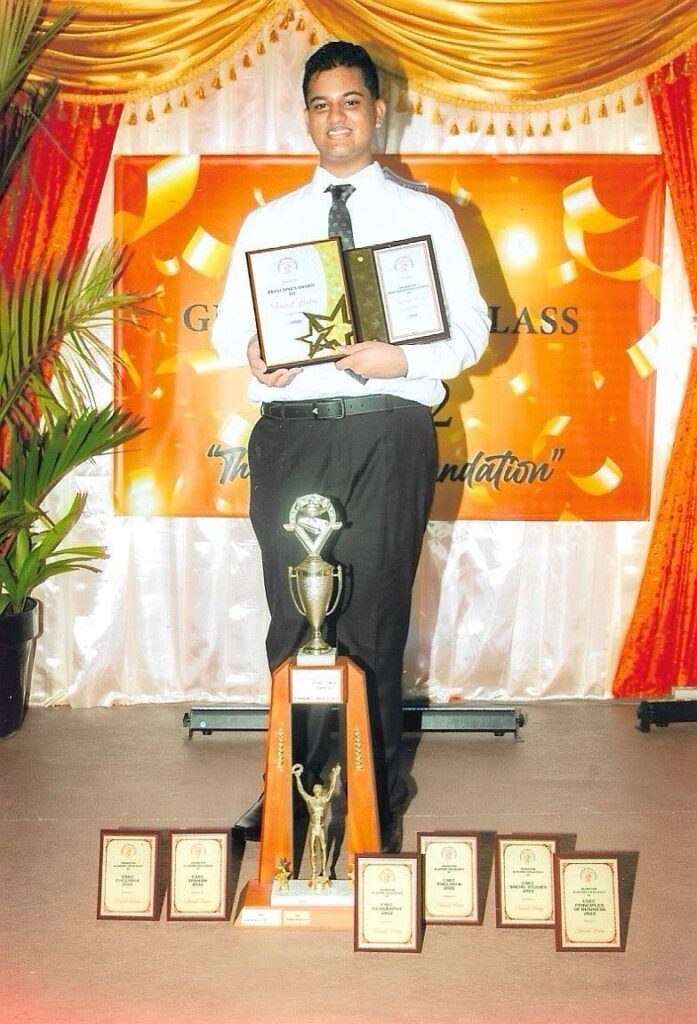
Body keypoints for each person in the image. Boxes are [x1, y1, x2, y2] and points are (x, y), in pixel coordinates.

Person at [212, 41, 490, 852]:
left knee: (368, 617)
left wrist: (397, 358)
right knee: (290, 619)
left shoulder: (425, 216)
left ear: (377, 110)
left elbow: (470, 330)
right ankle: (289, 793)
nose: (335, 118)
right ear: (306, 116)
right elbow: (233, 328)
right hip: (290, 432)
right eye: (320, 104)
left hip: (386, 431)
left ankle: (374, 792)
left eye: (351, 102)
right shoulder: (267, 224)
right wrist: (255, 352)